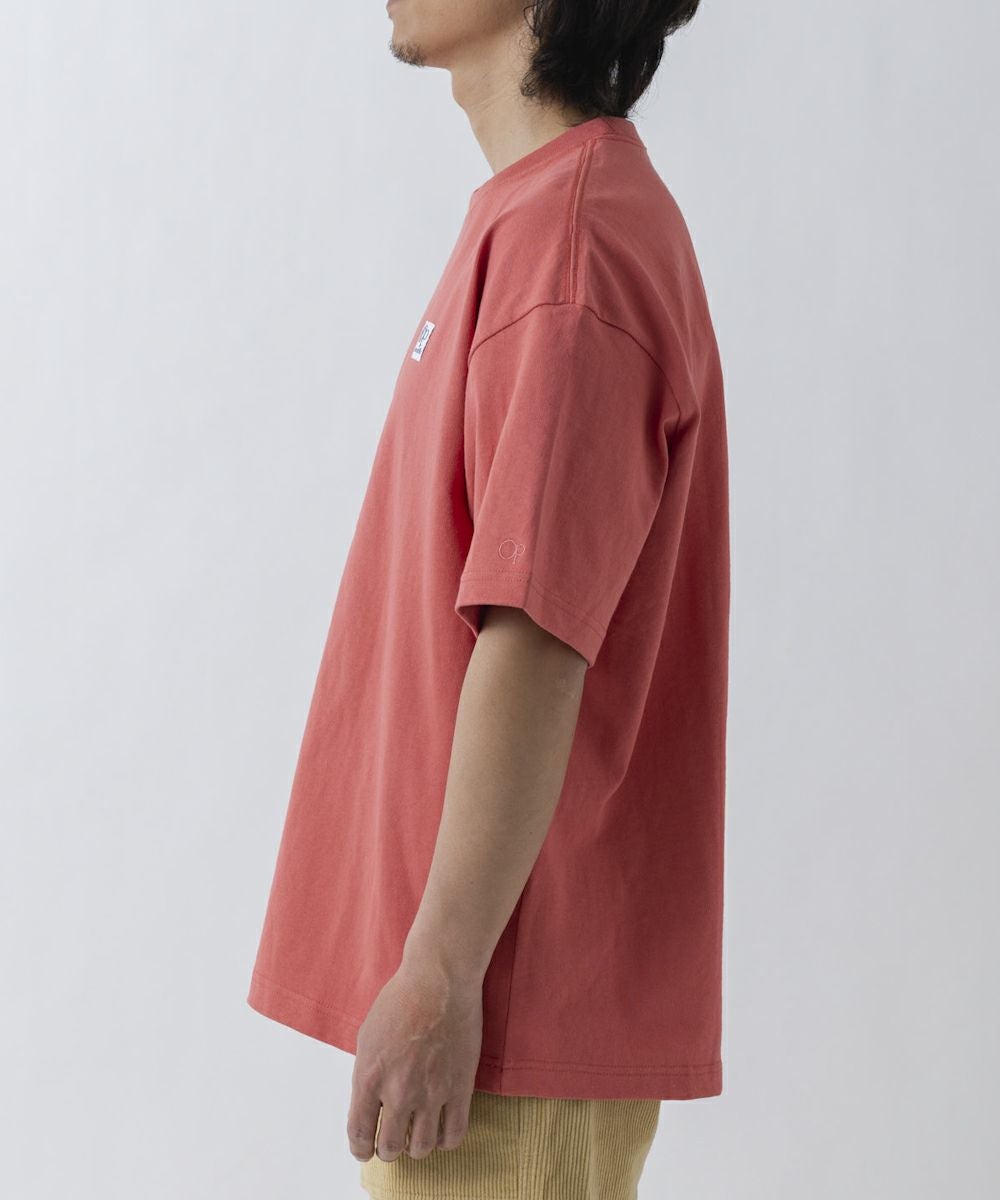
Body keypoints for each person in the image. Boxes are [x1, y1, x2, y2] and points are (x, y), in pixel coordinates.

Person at [247, 1, 729, 1195]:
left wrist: (443, 973)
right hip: (496, 1011)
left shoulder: (571, 251)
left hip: (505, 1021)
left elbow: (537, 630)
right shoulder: (546, 220)